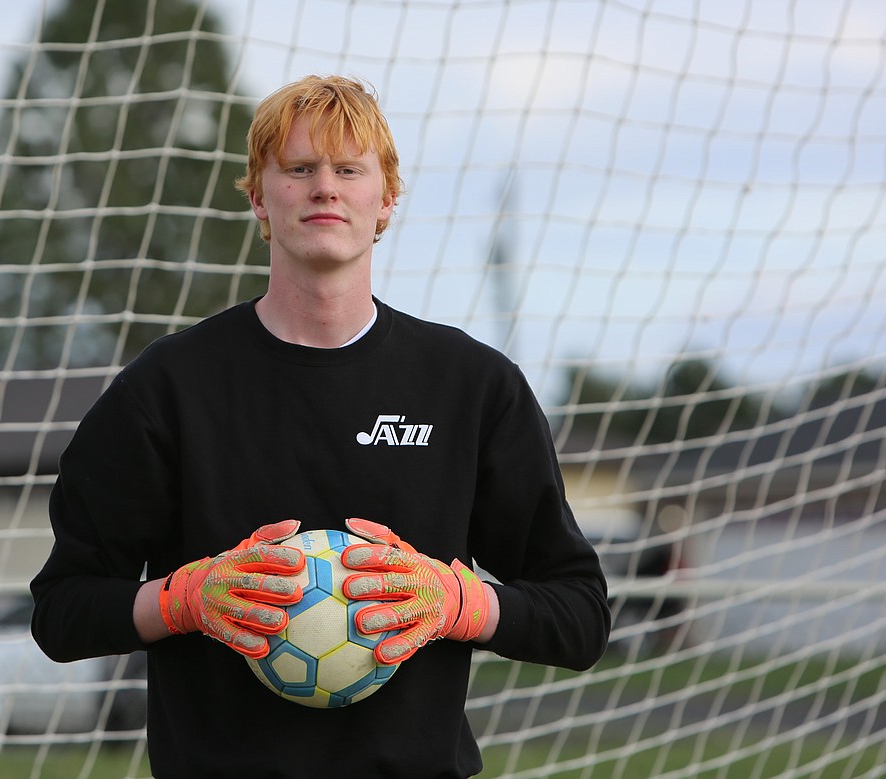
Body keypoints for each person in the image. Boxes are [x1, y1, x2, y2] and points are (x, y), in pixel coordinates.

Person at [30, 74, 610, 779]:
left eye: (348, 169)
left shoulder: (470, 385)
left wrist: (460, 603)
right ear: (259, 199)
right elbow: (62, 612)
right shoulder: (167, 388)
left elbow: (580, 615)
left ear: (386, 199)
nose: (324, 188)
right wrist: (185, 599)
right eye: (299, 168)